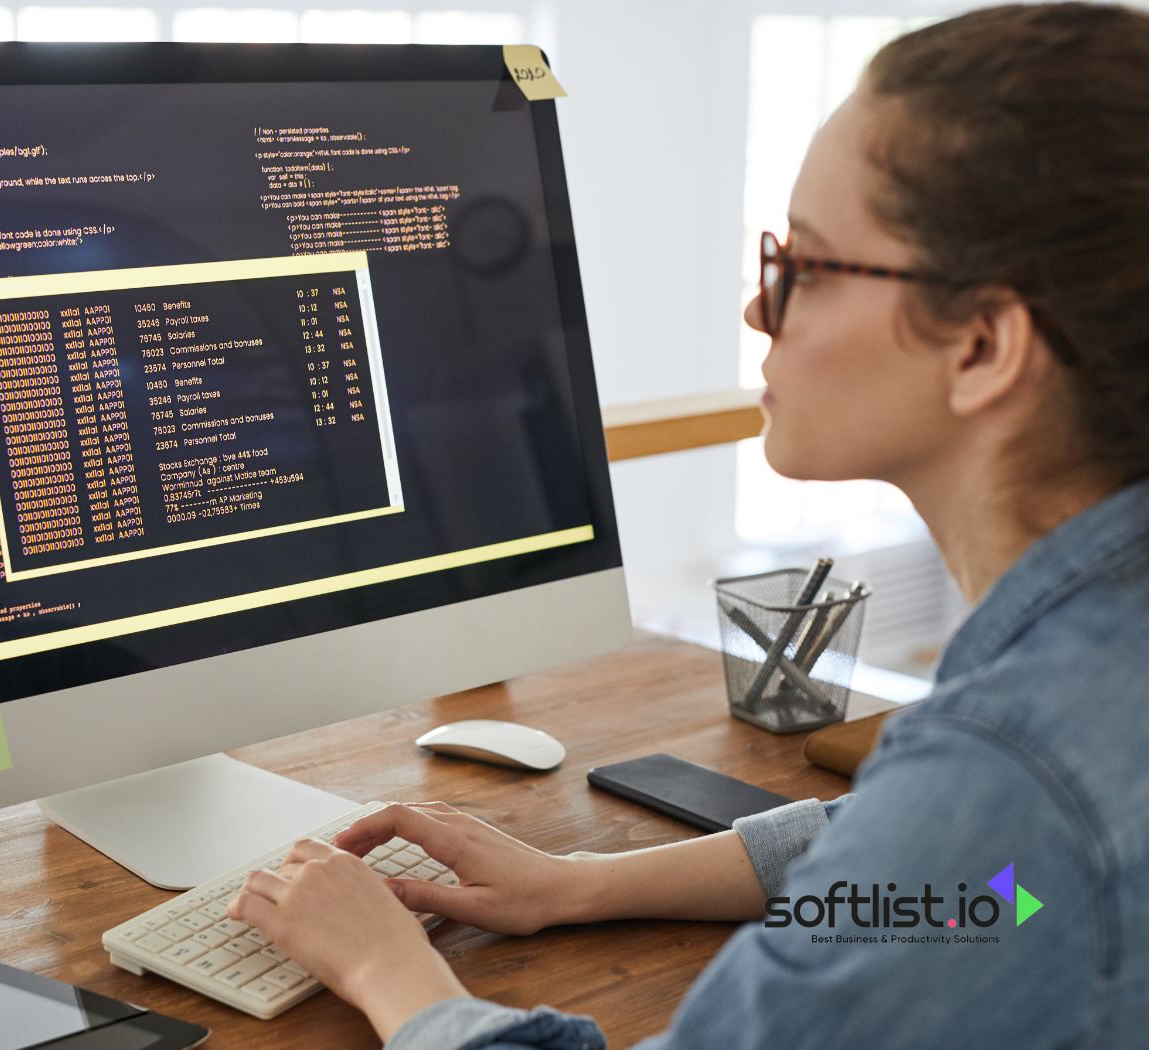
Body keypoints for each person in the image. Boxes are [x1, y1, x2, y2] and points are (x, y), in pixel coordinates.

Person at [225, 3, 1149, 1046]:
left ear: (982, 346)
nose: (759, 311)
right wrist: (577, 883)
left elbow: (982, 839)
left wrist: (394, 975)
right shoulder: (1058, 722)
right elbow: (974, 883)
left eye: (805, 266)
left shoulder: (1014, 775)